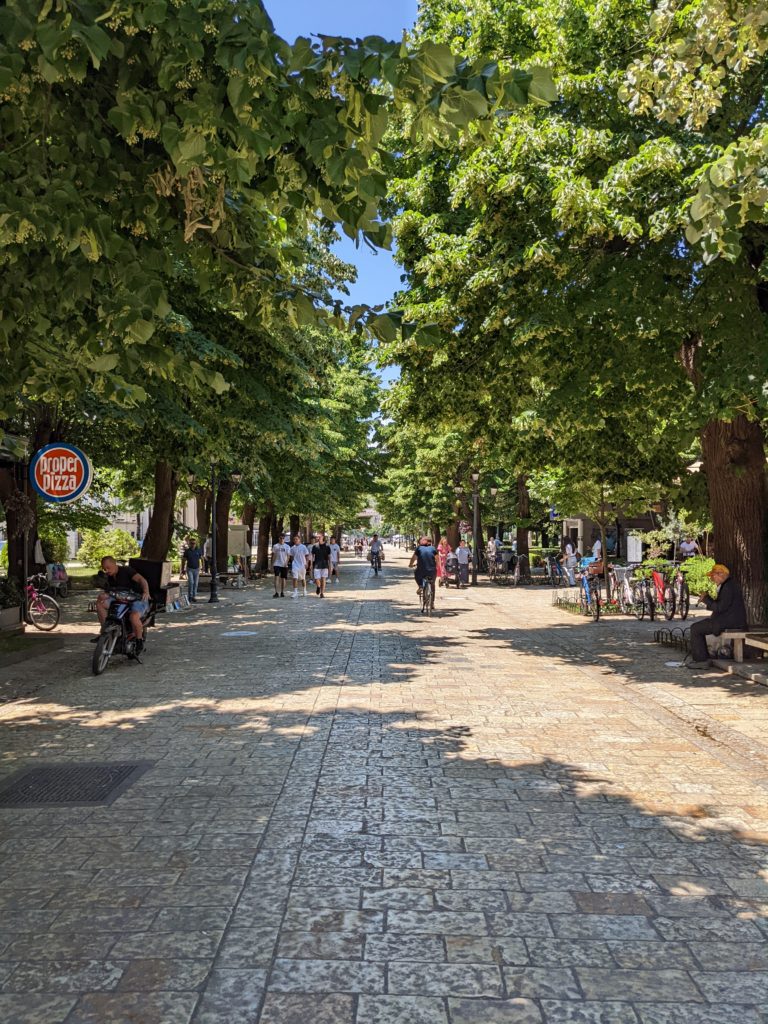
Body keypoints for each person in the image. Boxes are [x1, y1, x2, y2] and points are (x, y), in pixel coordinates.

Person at [687, 563, 747, 669]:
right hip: (728, 619)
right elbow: (721, 605)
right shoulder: (728, 585)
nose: (711, 579)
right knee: (699, 626)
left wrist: (706, 599)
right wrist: (708, 598)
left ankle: (701, 660)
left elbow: (720, 607)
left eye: (713, 576)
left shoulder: (728, 587)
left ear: (721, 574)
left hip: (730, 621)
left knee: (696, 628)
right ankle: (703, 658)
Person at [96, 556, 151, 641]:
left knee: (134, 617)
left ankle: (139, 640)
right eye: (104, 569)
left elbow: (141, 580)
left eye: (108, 568)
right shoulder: (108, 576)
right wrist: (104, 595)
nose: (106, 570)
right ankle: (105, 632)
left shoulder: (126, 570)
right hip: (120, 599)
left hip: (137, 598)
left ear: (114, 564)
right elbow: (109, 591)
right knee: (100, 604)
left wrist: (146, 591)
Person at [409, 536, 437, 609]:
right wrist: (437, 566)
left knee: (416, 573)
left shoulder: (419, 548)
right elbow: (438, 559)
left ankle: (421, 586)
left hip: (421, 570)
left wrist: (410, 564)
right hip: (432, 571)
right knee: (432, 584)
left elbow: (413, 558)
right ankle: (432, 603)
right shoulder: (433, 548)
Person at [311, 532, 332, 597]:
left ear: (323, 537)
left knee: (323, 579)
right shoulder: (314, 546)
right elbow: (312, 555)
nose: (318, 538)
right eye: (317, 537)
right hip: (317, 564)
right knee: (317, 578)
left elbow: (329, 556)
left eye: (319, 537)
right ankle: (318, 586)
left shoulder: (327, 546)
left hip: (324, 565)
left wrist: (330, 565)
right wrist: (311, 564)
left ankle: (322, 593)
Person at [182, 535, 203, 602]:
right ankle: (190, 596)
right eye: (191, 543)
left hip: (197, 569)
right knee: (191, 582)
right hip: (189, 568)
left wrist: (203, 567)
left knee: (196, 583)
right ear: (189, 544)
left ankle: (194, 596)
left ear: (195, 543)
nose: (192, 545)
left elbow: (202, 558)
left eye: (194, 543)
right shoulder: (187, 551)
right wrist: (183, 569)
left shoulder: (198, 550)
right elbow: (183, 560)